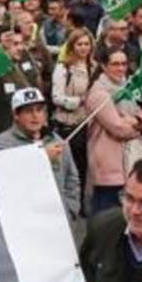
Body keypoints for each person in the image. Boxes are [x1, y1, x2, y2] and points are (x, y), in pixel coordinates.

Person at [0, 87, 80, 216]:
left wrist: (71, 208)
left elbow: (71, 177)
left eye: (39, 110)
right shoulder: (2, 144)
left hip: (59, 216)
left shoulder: (56, 139)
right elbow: (6, 181)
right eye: (28, 111)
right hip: (25, 218)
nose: (35, 116)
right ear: (16, 115)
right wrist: (41, 158)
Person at [85, 48, 142, 214]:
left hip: (127, 161)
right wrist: (138, 128)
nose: (121, 68)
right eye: (115, 64)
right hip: (108, 164)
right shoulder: (99, 93)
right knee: (105, 216)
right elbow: (118, 129)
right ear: (104, 66)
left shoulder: (125, 88)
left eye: (124, 64)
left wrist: (136, 120)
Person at [53, 29, 97, 190]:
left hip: (89, 125)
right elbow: (56, 97)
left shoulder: (94, 67)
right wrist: (78, 101)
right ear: (72, 46)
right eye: (79, 44)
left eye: (86, 44)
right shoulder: (63, 68)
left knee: (84, 167)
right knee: (71, 168)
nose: (83, 48)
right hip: (69, 126)